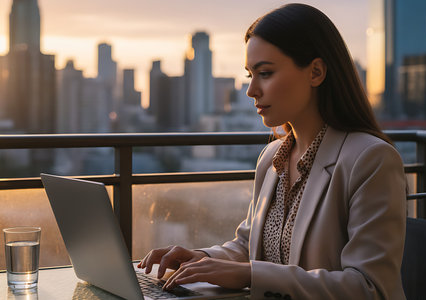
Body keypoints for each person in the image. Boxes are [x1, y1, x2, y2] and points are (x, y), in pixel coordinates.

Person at [138, 3, 407, 299]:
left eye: (264, 73)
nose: (251, 90)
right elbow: (248, 246)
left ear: (316, 72)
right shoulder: (272, 158)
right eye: (249, 75)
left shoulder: (370, 160)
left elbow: (369, 288)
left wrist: (250, 274)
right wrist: (201, 258)